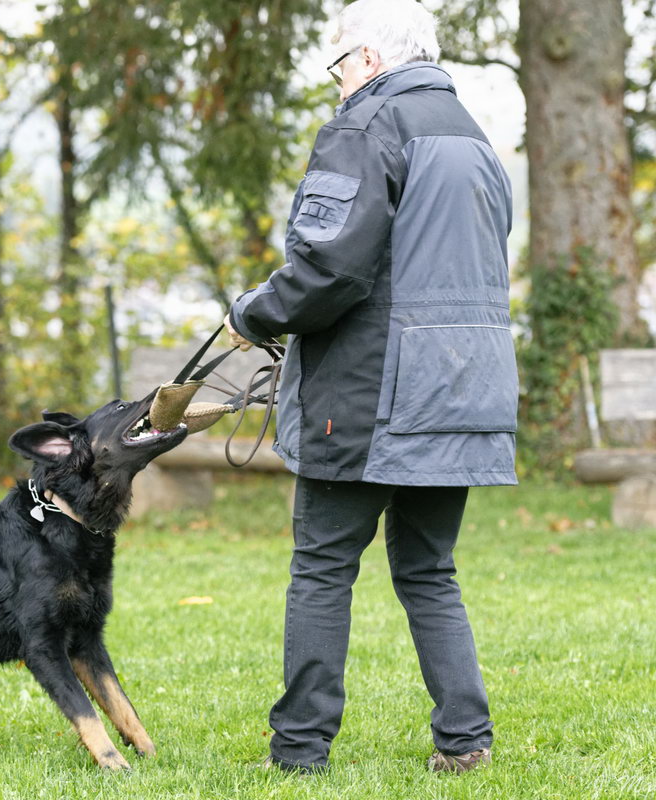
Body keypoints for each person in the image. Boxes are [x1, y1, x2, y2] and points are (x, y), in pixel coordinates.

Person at [224, 0, 517, 775]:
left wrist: (254, 312)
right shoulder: (477, 139)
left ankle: (298, 752)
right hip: (462, 388)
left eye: (338, 64)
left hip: (369, 392)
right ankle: (465, 742)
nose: (337, 82)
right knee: (429, 569)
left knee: (322, 565)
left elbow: (329, 269)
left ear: (367, 59)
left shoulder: (367, 124)